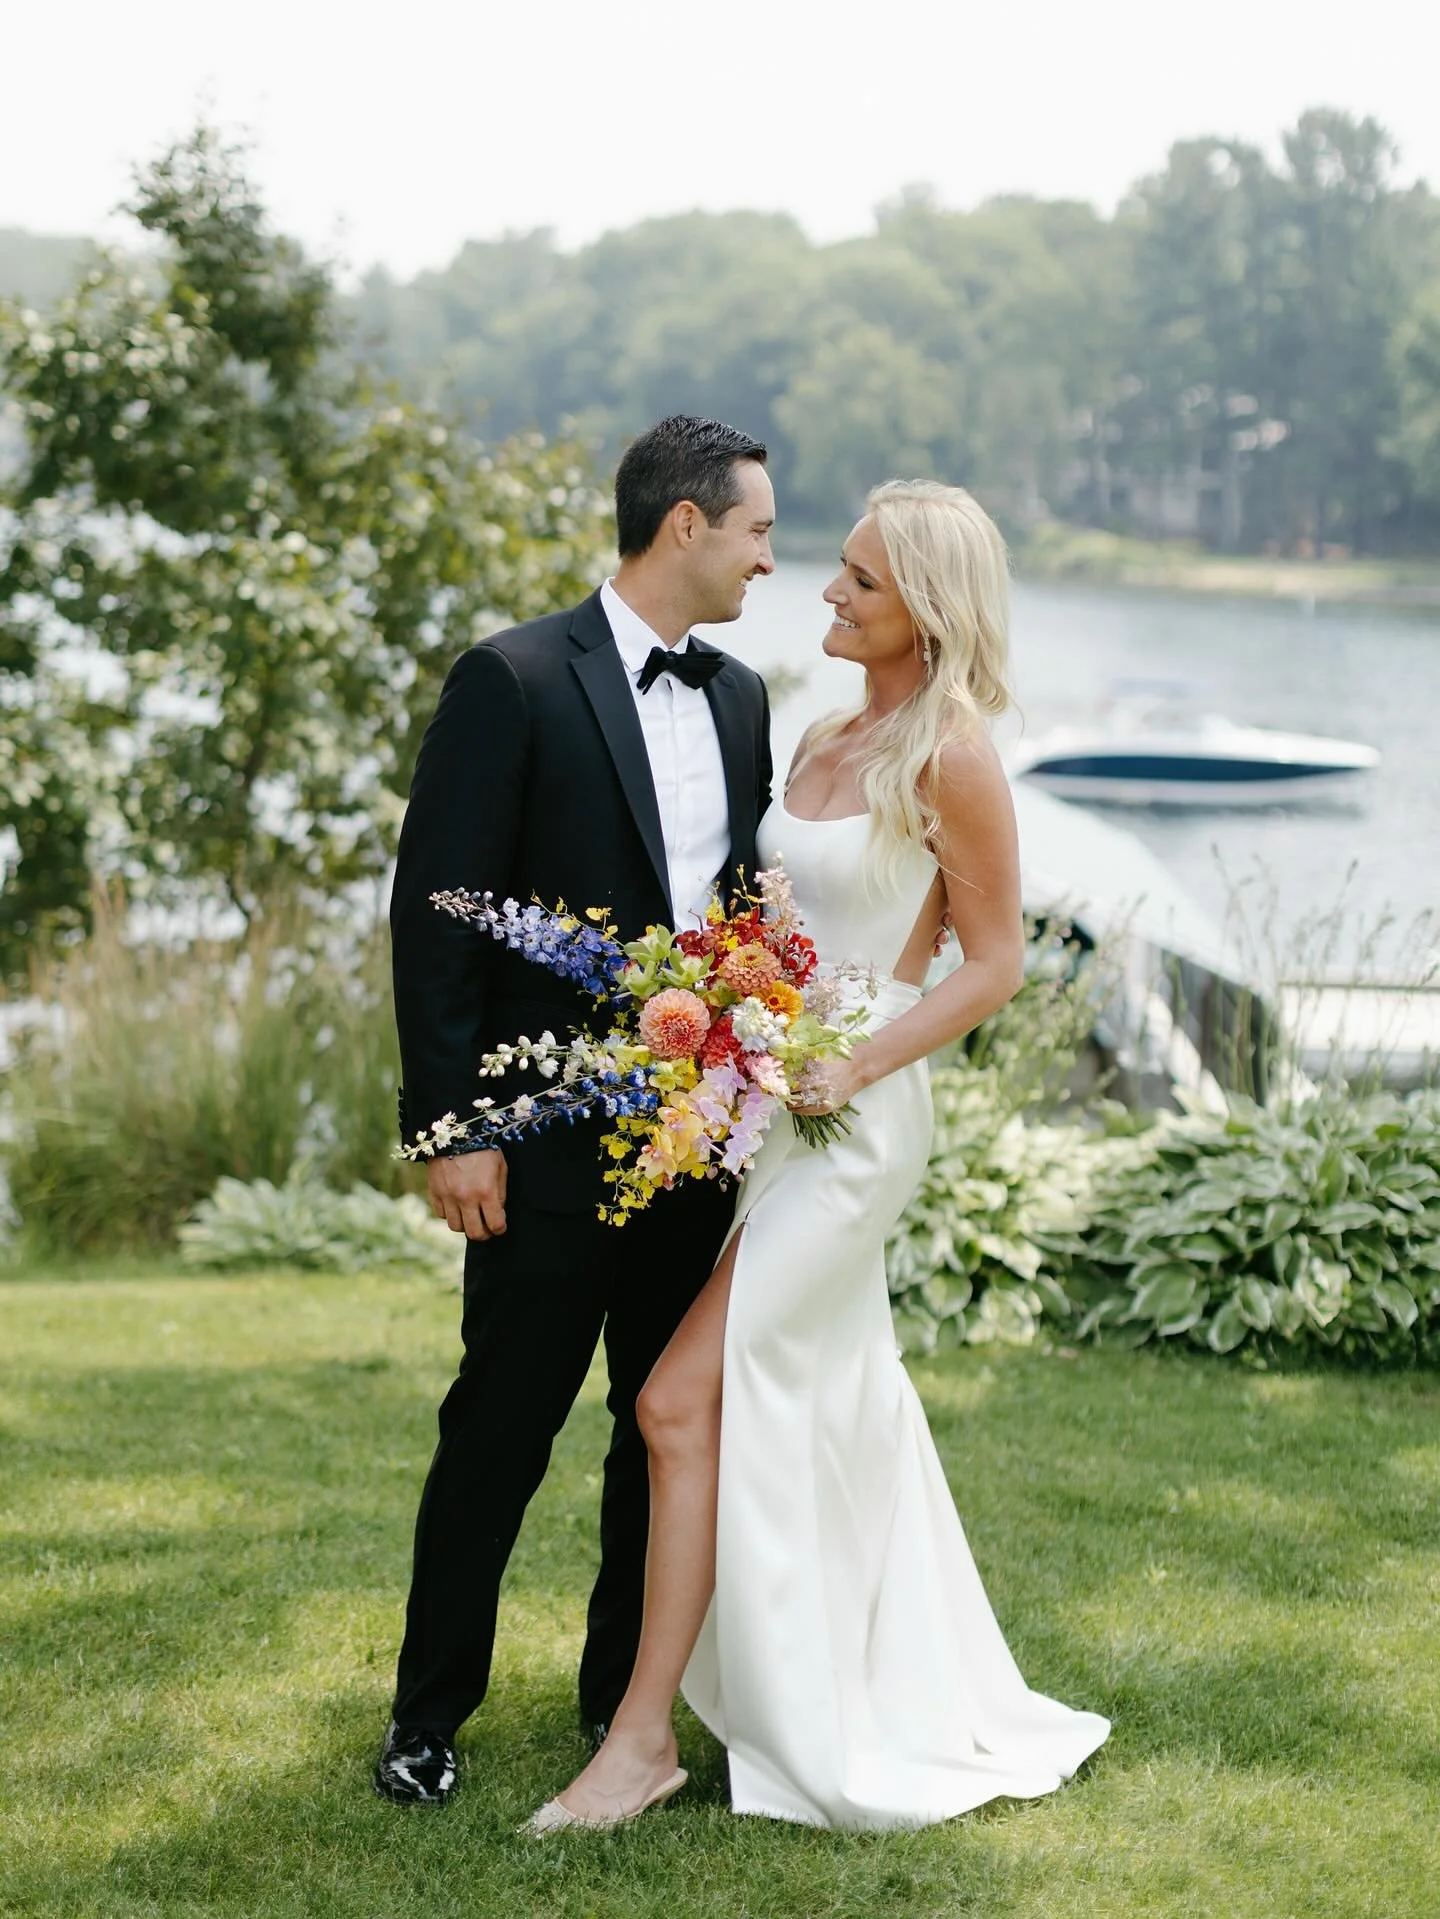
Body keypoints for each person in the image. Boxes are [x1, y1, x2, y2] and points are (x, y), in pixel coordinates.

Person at [526, 480, 1111, 1833]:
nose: (828, 593)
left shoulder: (949, 751)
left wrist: (858, 1058)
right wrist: (733, 1013)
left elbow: (999, 958)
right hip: (772, 1106)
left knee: (677, 1401)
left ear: (929, 610)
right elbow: (778, 923)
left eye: (859, 581)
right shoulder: (830, 727)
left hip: (858, 1120)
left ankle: (639, 1736)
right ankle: (842, 1675)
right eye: (837, 570)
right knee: (822, 1397)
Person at [374, 416, 776, 1805]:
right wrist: (454, 1125)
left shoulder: (740, 697)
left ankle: (621, 1706)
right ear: (684, 524)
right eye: (756, 532)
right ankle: (427, 1715)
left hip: (693, 1140)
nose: (766, 561)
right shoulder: (513, 676)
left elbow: (736, 912)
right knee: (501, 1424)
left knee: (655, 1427)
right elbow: (438, 916)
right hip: (539, 1146)